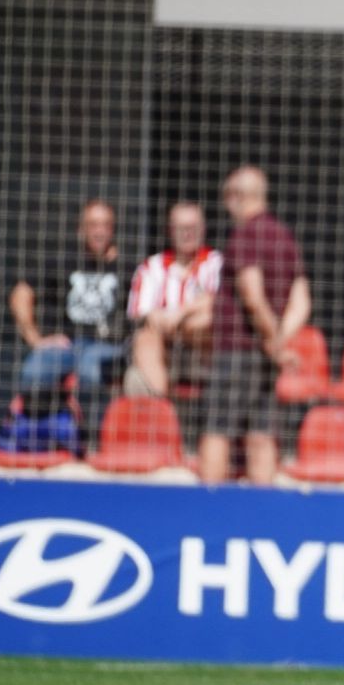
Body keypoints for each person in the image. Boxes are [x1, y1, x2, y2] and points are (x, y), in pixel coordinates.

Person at [198, 166, 310, 486]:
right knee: (262, 433)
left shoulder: (245, 235)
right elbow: (302, 302)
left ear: (236, 197)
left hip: (236, 350)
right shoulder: (284, 236)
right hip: (265, 356)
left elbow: (252, 295)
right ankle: (263, 508)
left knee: (217, 429)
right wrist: (278, 343)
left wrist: (271, 340)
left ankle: (207, 508)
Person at [8, 199, 130, 447]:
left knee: (91, 370)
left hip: (108, 347)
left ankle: (95, 445)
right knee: (33, 372)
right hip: (64, 344)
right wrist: (35, 339)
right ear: (81, 229)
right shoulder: (62, 261)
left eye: (106, 225)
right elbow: (20, 294)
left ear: (113, 230)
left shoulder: (127, 267)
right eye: (93, 224)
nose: (99, 231)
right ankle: (47, 439)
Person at [125, 201, 222, 398]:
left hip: (204, 348)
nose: (187, 233)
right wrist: (185, 317)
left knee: (209, 319)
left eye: (192, 227)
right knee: (144, 337)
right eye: (181, 228)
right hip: (162, 347)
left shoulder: (217, 262)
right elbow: (145, 316)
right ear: (170, 230)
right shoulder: (151, 267)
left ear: (203, 229)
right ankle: (163, 405)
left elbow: (218, 302)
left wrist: (179, 314)